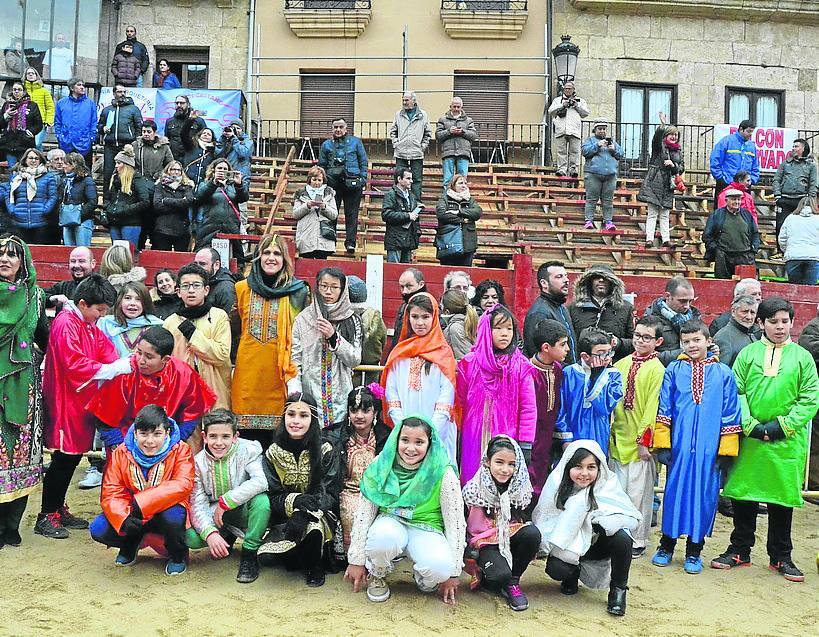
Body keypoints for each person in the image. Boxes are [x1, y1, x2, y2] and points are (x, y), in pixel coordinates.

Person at [713, 297, 819, 582]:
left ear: (792, 323)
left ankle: (781, 556)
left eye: (785, 321)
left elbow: (810, 399)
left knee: (781, 500)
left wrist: (783, 426)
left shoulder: (803, 357)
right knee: (745, 495)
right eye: (773, 321)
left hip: (786, 441)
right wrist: (751, 425)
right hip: (751, 439)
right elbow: (736, 392)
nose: (780, 327)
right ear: (761, 323)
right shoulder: (748, 354)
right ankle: (739, 550)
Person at [649, 320, 741, 574]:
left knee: (704, 496)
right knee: (674, 494)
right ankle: (666, 545)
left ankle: (694, 549)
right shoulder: (673, 370)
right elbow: (664, 407)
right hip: (679, 447)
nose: (691, 345)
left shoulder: (723, 373)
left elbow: (731, 413)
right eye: (686, 341)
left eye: (696, 340)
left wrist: (726, 450)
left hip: (709, 450)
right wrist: (663, 443)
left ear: (708, 341)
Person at [37, 274, 124, 540]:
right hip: (66, 399)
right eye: (99, 310)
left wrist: (119, 364)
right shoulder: (66, 323)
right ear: (84, 303)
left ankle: (57, 508)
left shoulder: (84, 322)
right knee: (63, 457)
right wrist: (111, 368)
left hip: (80, 399)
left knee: (72, 456)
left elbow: (104, 348)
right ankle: (46, 514)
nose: (101, 315)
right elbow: (73, 363)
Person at [344, 415, 465, 604]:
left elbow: (456, 522)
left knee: (440, 567)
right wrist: (356, 560)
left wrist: (453, 572)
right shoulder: (381, 465)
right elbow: (364, 514)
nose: (410, 448)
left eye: (419, 442)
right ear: (396, 439)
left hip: (427, 527)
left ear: (429, 443)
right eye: (405, 440)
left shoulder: (443, 471)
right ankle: (378, 573)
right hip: (391, 522)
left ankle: (424, 577)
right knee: (383, 539)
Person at [533, 440, 640, 616]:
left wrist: (596, 519)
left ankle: (618, 590)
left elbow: (626, 517)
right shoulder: (557, 486)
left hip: (598, 545)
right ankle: (571, 575)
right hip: (569, 549)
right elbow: (545, 521)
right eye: (578, 467)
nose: (584, 473)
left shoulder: (608, 487)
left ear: (600, 468)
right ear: (568, 467)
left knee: (623, 537)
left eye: (591, 467)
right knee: (556, 569)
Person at [89, 405, 194, 574]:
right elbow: (111, 490)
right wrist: (123, 517)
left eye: (157, 434)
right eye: (144, 434)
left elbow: (183, 484)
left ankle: (178, 554)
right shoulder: (121, 452)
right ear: (135, 432)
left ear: (167, 432)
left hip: (164, 509)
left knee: (174, 517)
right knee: (99, 528)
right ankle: (130, 543)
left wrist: (142, 503)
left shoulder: (181, 450)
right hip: (133, 511)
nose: (150, 441)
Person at [86, 325, 217, 454]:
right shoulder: (124, 373)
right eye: (139, 352)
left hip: (166, 442)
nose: (140, 360)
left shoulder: (183, 373)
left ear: (165, 359)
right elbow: (105, 419)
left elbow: (192, 414)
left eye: (148, 357)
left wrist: (174, 442)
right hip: (125, 442)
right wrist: (120, 447)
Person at [231, 235, 309, 440]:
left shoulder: (297, 292)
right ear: (258, 256)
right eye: (266, 252)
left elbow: (302, 334)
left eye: (277, 253)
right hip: (247, 375)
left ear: (285, 259)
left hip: (279, 374)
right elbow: (235, 328)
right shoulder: (241, 289)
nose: (271, 258)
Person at [258, 392, 340, 587]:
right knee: (267, 558)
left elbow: (330, 493)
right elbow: (273, 495)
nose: (296, 421)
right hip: (285, 517)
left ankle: (315, 565)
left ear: (313, 420)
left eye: (303, 416)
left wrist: (305, 512)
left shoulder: (325, 449)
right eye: (291, 414)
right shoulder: (273, 453)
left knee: (313, 530)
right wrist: (295, 503)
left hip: (320, 514)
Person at [0, 235, 48, 549]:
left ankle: (11, 525)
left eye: (11, 255)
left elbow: (44, 336)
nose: (4, 259)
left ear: (23, 262)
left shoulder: (35, 297)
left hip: (24, 385)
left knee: (20, 451)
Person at [187, 408, 270, 584]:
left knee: (262, 502)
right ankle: (225, 535)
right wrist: (210, 534)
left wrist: (226, 501)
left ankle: (249, 552)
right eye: (213, 436)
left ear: (235, 436)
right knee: (192, 538)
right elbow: (197, 503)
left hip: (240, 508)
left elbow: (261, 482)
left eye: (225, 436)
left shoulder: (249, 450)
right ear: (204, 436)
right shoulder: (198, 463)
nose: (219, 442)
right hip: (214, 513)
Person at [457, 305, 536, 484]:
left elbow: (528, 407)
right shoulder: (470, 363)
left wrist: (525, 443)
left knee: (502, 480)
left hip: (506, 435)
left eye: (509, 329)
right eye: (498, 328)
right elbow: (461, 400)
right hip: (473, 436)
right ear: (485, 330)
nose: (504, 333)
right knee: (472, 478)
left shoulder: (520, 366)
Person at [462, 436, 541, 611]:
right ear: (487, 462)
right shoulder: (473, 490)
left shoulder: (520, 489)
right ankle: (489, 575)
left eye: (511, 464)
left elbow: (523, 518)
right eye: (499, 462)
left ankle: (513, 582)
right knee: (498, 577)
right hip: (483, 543)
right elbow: (462, 524)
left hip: (510, 537)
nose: (505, 469)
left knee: (532, 534)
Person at [609, 316, 665, 558]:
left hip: (640, 443)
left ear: (658, 341)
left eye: (647, 337)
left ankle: (636, 540)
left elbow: (653, 406)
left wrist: (645, 441)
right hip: (617, 438)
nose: (640, 341)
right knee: (617, 491)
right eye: (637, 336)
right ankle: (615, 538)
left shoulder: (658, 370)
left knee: (639, 493)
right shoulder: (620, 364)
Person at [383, 292, 458, 461]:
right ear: (407, 318)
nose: (420, 323)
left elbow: (446, 399)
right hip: (404, 432)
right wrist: (404, 430)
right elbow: (392, 394)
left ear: (435, 317)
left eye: (425, 317)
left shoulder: (444, 353)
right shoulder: (399, 353)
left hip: (438, 433)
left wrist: (428, 434)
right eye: (415, 317)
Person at [289, 268, 362, 429]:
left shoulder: (351, 320)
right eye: (324, 286)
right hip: (311, 393)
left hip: (340, 395)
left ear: (342, 290)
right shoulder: (303, 319)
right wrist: (296, 393)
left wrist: (333, 336)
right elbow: (295, 359)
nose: (328, 292)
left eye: (334, 287)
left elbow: (355, 359)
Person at [326, 385, 390, 551]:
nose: (359, 416)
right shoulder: (336, 436)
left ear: (375, 413)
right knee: (355, 512)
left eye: (365, 410)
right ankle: (355, 556)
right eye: (354, 411)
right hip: (348, 491)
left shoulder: (386, 437)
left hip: (378, 492)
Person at [163, 263, 232, 409]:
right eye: (186, 286)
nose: (191, 290)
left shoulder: (219, 316)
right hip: (182, 394)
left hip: (215, 392)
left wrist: (193, 334)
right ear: (178, 291)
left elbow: (221, 355)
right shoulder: (170, 322)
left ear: (206, 290)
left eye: (196, 285)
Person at [554, 328, 623, 455]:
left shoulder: (613, 375)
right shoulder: (569, 373)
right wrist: (566, 439)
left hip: (599, 435)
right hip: (573, 435)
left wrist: (596, 378)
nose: (607, 358)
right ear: (585, 356)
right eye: (601, 353)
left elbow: (603, 408)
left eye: (609, 352)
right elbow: (561, 408)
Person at [527, 319, 570, 502]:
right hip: (531, 436)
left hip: (549, 437)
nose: (567, 349)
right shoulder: (528, 372)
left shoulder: (558, 369)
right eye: (563, 344)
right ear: (546, 347)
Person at [318, 118, 368, 253]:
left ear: (346, 128)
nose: (338, 130)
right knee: (331, 214)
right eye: (335, 127)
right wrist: (322, 182)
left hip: (353, 183)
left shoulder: (356, 142)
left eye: (341, 127)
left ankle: (350, 243)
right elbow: (321, 165)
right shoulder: (326, 145)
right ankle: (330, 243)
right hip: (332, 183)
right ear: (332, 129)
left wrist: (363, 179)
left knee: (352, 215)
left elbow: (363, 161)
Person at [568, 264, 635, 360]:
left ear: (612, 283)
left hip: (614, 366)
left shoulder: (626, 308)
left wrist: (619, 343)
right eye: (596, 277)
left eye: (605, 278)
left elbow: (635, 342)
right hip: (582, 365)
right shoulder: (574, 308)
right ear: (589, 281)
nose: (601, 280)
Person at [637, 115, 684, 247]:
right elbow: (656, 139)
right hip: (655, 182)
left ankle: (666, 239)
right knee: (652, 213)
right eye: (671, 134)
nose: (674, 137)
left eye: (676, 135)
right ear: (666, 135)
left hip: (668, 184)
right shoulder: (659, 147)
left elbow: (681, 168)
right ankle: (649, 239)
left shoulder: (678, 151)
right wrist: (662, 126)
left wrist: (673, 165)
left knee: (664, 213)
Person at [192, 159, 248, 260]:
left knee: (236, 255)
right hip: (210, 226)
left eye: (225, 169)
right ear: (213, 170)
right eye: (219, 168)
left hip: (231, 226)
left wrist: (239, 185)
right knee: (204, 252)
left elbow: (243, 198)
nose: (222, 171)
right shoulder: (205, 184)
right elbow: (199, 197)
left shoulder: (233, 185)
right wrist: (214, 183)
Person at [523, 261, 576, 363]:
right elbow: (537, 355)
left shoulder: (563, 308)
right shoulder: (539, 313)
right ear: (544, 283)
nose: (566, 280)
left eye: (566, 276)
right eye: (559, 276)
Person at [644, 276, 702, 366]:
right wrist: (686, 352)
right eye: (682, 301)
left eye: (690, 301)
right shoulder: (650, 320)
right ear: (667, 296)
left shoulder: (696, 317)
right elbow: (645, 356)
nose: (687, 306)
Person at [4, 148, 58, 245]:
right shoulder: (17, 177)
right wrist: (12, 209)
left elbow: (53, 196)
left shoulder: (48, 177)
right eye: (30, 158)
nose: (33, 160)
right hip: (20, 221)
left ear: (40, 160)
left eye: (36, 158)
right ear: (25, 160)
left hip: (40, 222)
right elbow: (8, 195)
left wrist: (45, 210)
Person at [703, 187, 760, 279]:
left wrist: (754, 249)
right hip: (723, 256)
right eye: (733, 199)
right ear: (726, 200)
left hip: (745, 256)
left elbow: (755, 233)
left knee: (746, 283)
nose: (737, 202)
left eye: (738, 199)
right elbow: (707, 235)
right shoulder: (717, 215)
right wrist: (716, 249)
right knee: (722, 284)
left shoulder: (746, 214)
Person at [104, 145, 152, 250]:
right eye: (115, 163)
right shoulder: (114, 179)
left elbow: (145, 202)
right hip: (114, 221)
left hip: (130, 223)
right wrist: (109, 208)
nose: (116, 166)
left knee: (128, 254)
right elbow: (107, 198)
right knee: (116, 253)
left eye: (119, 163)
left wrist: (125, 209)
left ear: (126, 165)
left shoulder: (137, 179)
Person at [98, 86, 143, 198]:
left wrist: (135, 144)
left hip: (126, 147)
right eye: (119, 92)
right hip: (110, 147)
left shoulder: (133, 109)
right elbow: (99, 125)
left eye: (124, 92)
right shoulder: (107, 110)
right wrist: (103, 128)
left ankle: (125, 199)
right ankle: (106, 201)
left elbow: (139, 127)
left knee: (126, 174)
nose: (122, 94)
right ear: (114, 93)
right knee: (108, 175)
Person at [97, 281, 162, 357]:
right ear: (120, 301)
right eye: (128, 298)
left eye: (138, 299)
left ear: (146, 303)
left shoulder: (156, 326)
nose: (132, 303)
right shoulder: (105, 324)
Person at [581, 121, 624, 232]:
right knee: (591, 198)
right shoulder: (590, 140)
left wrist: (613, 149)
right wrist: (597, 145)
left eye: (604, 129)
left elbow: (621, 154)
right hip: (593, 174)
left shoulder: (612, 142)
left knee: (608, 200)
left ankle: (608, 221)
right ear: (595, 130)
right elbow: (585, 151)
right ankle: (589, 220)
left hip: (610, 175)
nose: (602, 131)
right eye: (599, 128)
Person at [390, 91, 432, 201]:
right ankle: (398, 202)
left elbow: (428, 133)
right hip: (401, 152)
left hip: (416, 153)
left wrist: (422, 147)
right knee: (399, 179)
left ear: (413, 101)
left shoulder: (423, 115)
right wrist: (396, 144)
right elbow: (393, 131)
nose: (404, 102)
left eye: (407, 100)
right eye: (403, 100)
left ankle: (415, 203)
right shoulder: (398, 114)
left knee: (417, 180)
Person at [773, 138, 817, 242]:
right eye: (793, 146)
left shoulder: (811, 165)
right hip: (784, 199)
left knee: (801, 228)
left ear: (803, 149)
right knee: (780, 226)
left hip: (801, 201)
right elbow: (776, 180)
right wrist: (777, 195)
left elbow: (814, 183)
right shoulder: (785, 164)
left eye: (796, 146)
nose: (793, 148)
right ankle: (781, 252)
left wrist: (810, 199)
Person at [709, 120, 760, 210]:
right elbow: (715, 160)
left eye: (752, 132)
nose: (750, 134)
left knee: (744, 212)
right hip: (726, 183)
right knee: (722, 212)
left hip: (745, 186)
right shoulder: (726, 141)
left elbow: (755, 166)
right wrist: (721, 178)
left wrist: (752, 180)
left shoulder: (752, 146)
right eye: (748, 131)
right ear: (741, 129)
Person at [435, 174, 482, 266]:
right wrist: (462, 220)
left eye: (465, 183)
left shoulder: (470, 200)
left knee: (465, 275)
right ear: (453, 185)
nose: (464, 185)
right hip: (448, 243)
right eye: (460, 183)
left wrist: (459, 211)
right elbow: (442, 215)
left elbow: (478, 212)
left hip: (467, 244)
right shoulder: (445, 199)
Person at [347, 276, 386, 386]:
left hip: (346, 372)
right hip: (370, 372)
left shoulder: (339, 316)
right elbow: (383, 342)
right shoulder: (375, 317)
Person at [797, 306, 819, 498]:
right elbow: (812, 352)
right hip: (815, 390)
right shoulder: (813, 329)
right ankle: (813, 482)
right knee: (816, 440)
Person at [293, 165, 339, 259]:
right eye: (314, 179)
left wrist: (324, 207)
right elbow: (295, 214)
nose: (317, 183)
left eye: (319, 180)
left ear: (323, 181)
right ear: (309, 180)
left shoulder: (329, 194)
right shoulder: (301, 194)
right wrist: (307, 206)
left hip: (324, 237)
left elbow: (334, 215)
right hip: (306, 235)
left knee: (322, 267)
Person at [547, 81, 589, 178]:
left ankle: (573, 169)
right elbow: (550, 111)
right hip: (561, 129)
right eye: (566, 88)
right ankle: (562, 169)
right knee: (561, 151)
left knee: (574, 151)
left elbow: (586, 113)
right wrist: (563, 105)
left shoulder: (580, 101)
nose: (568, 90)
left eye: (570, 88)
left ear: (573, 90)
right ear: (563, 89)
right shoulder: (558, 100)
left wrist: (576, 105)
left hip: (574, 130)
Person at [53, 78, 97, 167]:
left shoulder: (90, 103)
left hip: (84, 143)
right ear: (72, 88)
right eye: (79, 85)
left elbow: (94, 122)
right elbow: (58, 121)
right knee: (65, 169)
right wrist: (59, 136)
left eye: (83, 85)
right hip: (66, 142)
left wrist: (91, 138)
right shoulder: (61, 103)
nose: (82, 87)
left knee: (84, 170)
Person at [381, 167, 421, 264]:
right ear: (399, 179)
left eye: (411, 179)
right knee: (393, 272)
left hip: (408, 239)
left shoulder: (412, 196)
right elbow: (386, 214)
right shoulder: (390, 195)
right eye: (408, 178)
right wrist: (407, 216)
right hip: (395, 240)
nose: (411, 181)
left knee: (406, 271)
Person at [152, 161, 194, 252]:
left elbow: (188, 201)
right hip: (162, 229)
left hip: (181, 230)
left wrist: (167, 200)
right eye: (173, 169)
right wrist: (180, 204)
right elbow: (157, 205)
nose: (176, 172)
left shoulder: (187, 186)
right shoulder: (160, 185)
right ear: (168, 170)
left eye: (179, 170)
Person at [436, 96, 477, 187]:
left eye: (458, 107)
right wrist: (448, 131)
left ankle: (461, 199)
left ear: (462, 107)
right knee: (447, 180)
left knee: (462, 180)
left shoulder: (469, 120)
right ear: (450, 106)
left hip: (463, 153)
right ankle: (447, 200)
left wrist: (463, 131)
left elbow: (473, 136)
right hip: (448, 152)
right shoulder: (443, 119)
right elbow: (438, 135)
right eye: (454, 106)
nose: (456, 109)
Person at [0, 82, 43, 168]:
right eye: (14, 89)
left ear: (24, 92)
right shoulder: (6, 105)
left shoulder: (32, 105)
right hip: (9, 144)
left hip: (25, 144)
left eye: (19, 90)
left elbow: (38, 124)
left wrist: (30, 132)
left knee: (25, 170)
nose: (16, 92)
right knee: (13, 171)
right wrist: (6, 116)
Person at [58, 152, 97, 247]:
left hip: (83, 221)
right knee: (69, 252)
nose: (63, 166)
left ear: (74, 165)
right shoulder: (64, 180)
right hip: (67, 220)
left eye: (66, 163)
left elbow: (92, 201)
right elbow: (60, 199)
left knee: (83, 251)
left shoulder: (87, 180)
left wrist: (78, 214)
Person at [779, 195, 819, 285]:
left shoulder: (790, 218)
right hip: (813, 257)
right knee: (809, 289)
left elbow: (782, 239)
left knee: (794, 288)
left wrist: (787, 250)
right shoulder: (818, 219)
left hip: (793, 256)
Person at [44, 245, 96, 311]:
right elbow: (40, 295)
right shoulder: (63, 287)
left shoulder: (100, 288)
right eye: (73, 261)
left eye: (81, 261)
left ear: (93, 264)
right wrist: (51, 299)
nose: (76, 265)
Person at [713, 295, 760, 367]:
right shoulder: (723, 337)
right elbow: (721, 372)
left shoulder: (756, 332)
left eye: (752, 313)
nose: (749, 317)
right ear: (733, 311)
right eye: (745, 312)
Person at [194, 247, 237, 315]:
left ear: (216, 265)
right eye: (196, 264)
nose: (197, 268)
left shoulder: (226, 289)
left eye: (202, 264)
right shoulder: (198, 281)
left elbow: (228, 319)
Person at [165, 96, 206, 162]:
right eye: (177, 103)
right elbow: (167, 140)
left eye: (182, 103)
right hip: (173, 159)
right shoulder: (169, 121)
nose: (179, 105)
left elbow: (204, 139)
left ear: (188, 104)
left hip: (191, 158)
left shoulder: (198, 121)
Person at [22, 67, 55, 150]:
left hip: (40, 122)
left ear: (36, 75)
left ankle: (40, 160)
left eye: (32, 73)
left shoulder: (44, 91)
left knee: (37, 143)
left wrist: (49, 120)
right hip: (25, 121)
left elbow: (50, 107)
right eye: (28, 73)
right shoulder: (23, 91)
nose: (30, 75)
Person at [441, 289, 478, 361]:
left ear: (447, 311)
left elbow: (465, 358)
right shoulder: (469, 321)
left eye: (441, 305)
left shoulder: (455, 328)